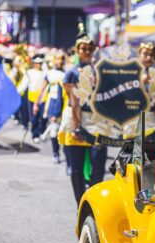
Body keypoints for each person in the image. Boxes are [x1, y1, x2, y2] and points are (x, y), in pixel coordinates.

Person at [60, 32, 107, 206]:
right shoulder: (71, 73)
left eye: (89, 49)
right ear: (77, 51)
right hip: (77, 121)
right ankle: (81, 204)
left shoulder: (102, 72)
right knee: (77, 169)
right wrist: (77, 126)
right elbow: (73, 101)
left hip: (98, 123)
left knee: (98, 167)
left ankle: (93, 204)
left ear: (94, 50)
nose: (86, 51)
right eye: (83, 49)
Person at [17, 55, 47, 143]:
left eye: (40, 63)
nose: (39, 65)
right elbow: (24, 84)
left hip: (43, 97)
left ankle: (42, 131)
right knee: (34, 117)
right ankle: (35, 134)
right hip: (32, 97)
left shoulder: (45, 72)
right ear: (34, 64)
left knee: (43, 116)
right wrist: (17, 92)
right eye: (37, 63)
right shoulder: (29, 72)